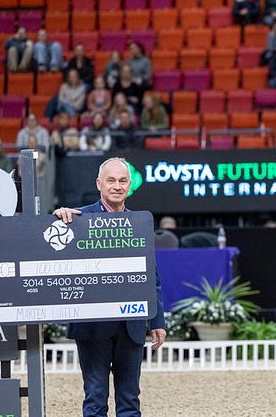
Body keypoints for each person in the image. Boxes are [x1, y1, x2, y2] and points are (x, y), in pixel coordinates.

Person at [52, 158, 166, 417]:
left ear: (129, 185)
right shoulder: (76, 218)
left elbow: (152, 277)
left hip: (132, 325)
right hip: (92, 327)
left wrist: (157, 320)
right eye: (111, 180)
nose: (117, 186)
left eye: (122, 181)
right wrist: (58, 218)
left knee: (130, 400)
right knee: (95, 399)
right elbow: (50, 246)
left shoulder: (140, 224)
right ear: (99, 184)